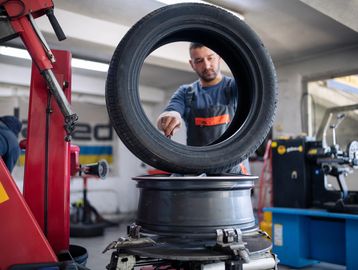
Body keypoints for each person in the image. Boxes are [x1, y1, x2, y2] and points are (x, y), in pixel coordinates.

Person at [156, 43, 249, 174]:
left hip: (233, 171)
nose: (206, 65)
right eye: (199, 61)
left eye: (210, 58)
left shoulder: (236, 87)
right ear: (192, 64)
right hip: (199, 172)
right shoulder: (186, 92)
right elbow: (171, 111)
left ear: (219, 57)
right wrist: (168, 118)